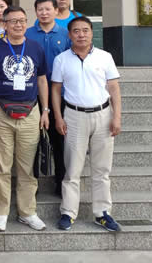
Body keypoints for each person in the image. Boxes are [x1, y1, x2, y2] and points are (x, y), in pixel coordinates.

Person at [0, 5, 49, 232]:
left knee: (27, 167)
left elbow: (42, 79)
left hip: (31, 112)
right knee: (1, 166)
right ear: (5, 24)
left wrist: (45, 110)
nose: (18, 25)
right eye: (13, 21)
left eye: (22, 20)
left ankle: (27, 212)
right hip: (1, 111)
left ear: (26, 23)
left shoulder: (36, 47)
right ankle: (1, 213)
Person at [51, 16, 122, 232]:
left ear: (92, 32)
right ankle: (68, 212)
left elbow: (114, 88)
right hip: (74, 116)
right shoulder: (61, 59)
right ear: (69, 34)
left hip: (103, 115)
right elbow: (55, 90)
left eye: (85, 30)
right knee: (72, 168)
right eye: (76, 31)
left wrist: (117, 117)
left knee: (102, 168)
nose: (81, 35)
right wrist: (58, 117)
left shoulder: (105, 57)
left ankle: (102, 213)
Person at [25, 0, 71, 197]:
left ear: (56, 11)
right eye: (40, 9)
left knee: (59, 141)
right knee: (32, 142)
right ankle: (31, 186)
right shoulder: (27, 34)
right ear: (35, 12)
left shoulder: (66, 34)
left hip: (60, 95)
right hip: (31, 95)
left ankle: (60, 183)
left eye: (47, 9)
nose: (44, 13)